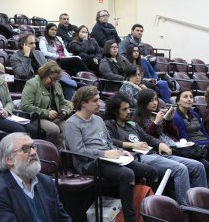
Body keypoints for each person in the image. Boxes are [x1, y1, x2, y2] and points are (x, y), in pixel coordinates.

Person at [64, 86, 159, 222]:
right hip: (88, 163)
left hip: (109, 158)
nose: (99, 103)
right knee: (127, 174)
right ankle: (130, 218)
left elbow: (108, 142)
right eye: (95, 100)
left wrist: (120, 151)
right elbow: (78, 152)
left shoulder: (98, 119)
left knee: (151, 172)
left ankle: (147, 213)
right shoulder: (72, 124)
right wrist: (105, 154)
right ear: (83, 103)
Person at [104, 92, 207, 206]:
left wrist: (159, 143)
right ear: (115, 111)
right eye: (124, 109)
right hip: (138, 157)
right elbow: (110, 141)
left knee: (198, 166)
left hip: (154, 153)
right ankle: (188, 210)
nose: (129, 111)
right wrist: (132, 145)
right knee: (180, 169)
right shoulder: (109, 124)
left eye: (128, 108)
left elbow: (147, 137)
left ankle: (202, 205)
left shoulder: (131, 124)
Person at [0, 132, 71, 222]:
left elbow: (63, 218)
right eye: (25, 149)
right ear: (9, 160)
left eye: (33, 147)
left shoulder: (46, 182)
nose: (33, 153)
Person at [134, 88, 209, 180]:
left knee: (203, 163)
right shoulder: (138, 119)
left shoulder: (158, 114)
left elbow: (175, 134)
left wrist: (169, 121)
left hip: (174, 145)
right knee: (202, 164)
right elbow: (144, 138)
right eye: (151, 101)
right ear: (143, 102)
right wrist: (156, 123)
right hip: (161, 150)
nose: (155, 103)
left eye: (156, 99)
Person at [21, 61, 70, 149]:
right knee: (53, 129)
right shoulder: (32, 84)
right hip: (37, 118)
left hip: (55, 117)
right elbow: (25, 106)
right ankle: (47, 152)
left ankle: (60, 153)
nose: (53, 82)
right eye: (51, 78)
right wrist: (47, 113)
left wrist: (64, 112)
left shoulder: (57, 85)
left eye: (56, 79)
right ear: (44, 74)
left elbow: (63, 103)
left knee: (69, 127)